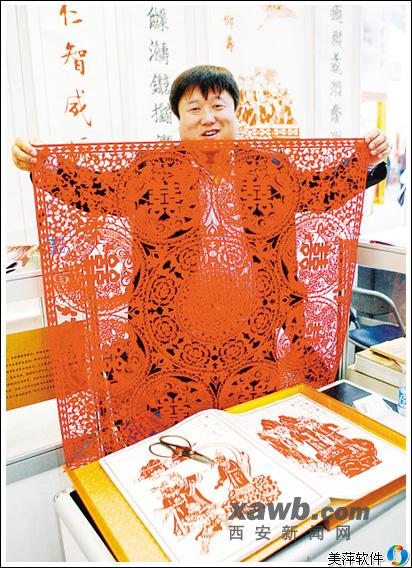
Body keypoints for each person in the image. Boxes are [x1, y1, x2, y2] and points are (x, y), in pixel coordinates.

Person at [10, 65, 391, 419]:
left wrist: (367, 160)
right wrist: (41, 165)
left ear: (236, 112)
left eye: (218, 105)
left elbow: (320, 192)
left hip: (252, 330)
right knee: (169, 423)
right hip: (168, 332)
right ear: (178, 120)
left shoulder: (270, 167)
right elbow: (97, 192)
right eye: (194, 108)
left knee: (248, 419)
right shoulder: (151, 171)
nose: (208, 117)